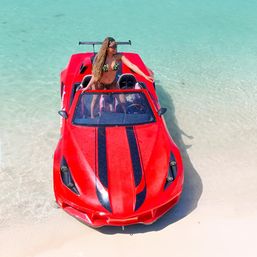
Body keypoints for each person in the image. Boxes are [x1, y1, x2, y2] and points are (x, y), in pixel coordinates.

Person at [83, 37, 154, 117]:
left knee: (123, 101)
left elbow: (131, 65)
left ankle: (126, 116)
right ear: (106, 47)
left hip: (112, 83)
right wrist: (87, 87)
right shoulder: (100, 59)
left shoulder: (118, 57)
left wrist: (145, 75)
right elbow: (95, 75)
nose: (115, 48)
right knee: (95, 100)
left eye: (116, 46)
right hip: (100, 83)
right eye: (113, 46)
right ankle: (92, 117)